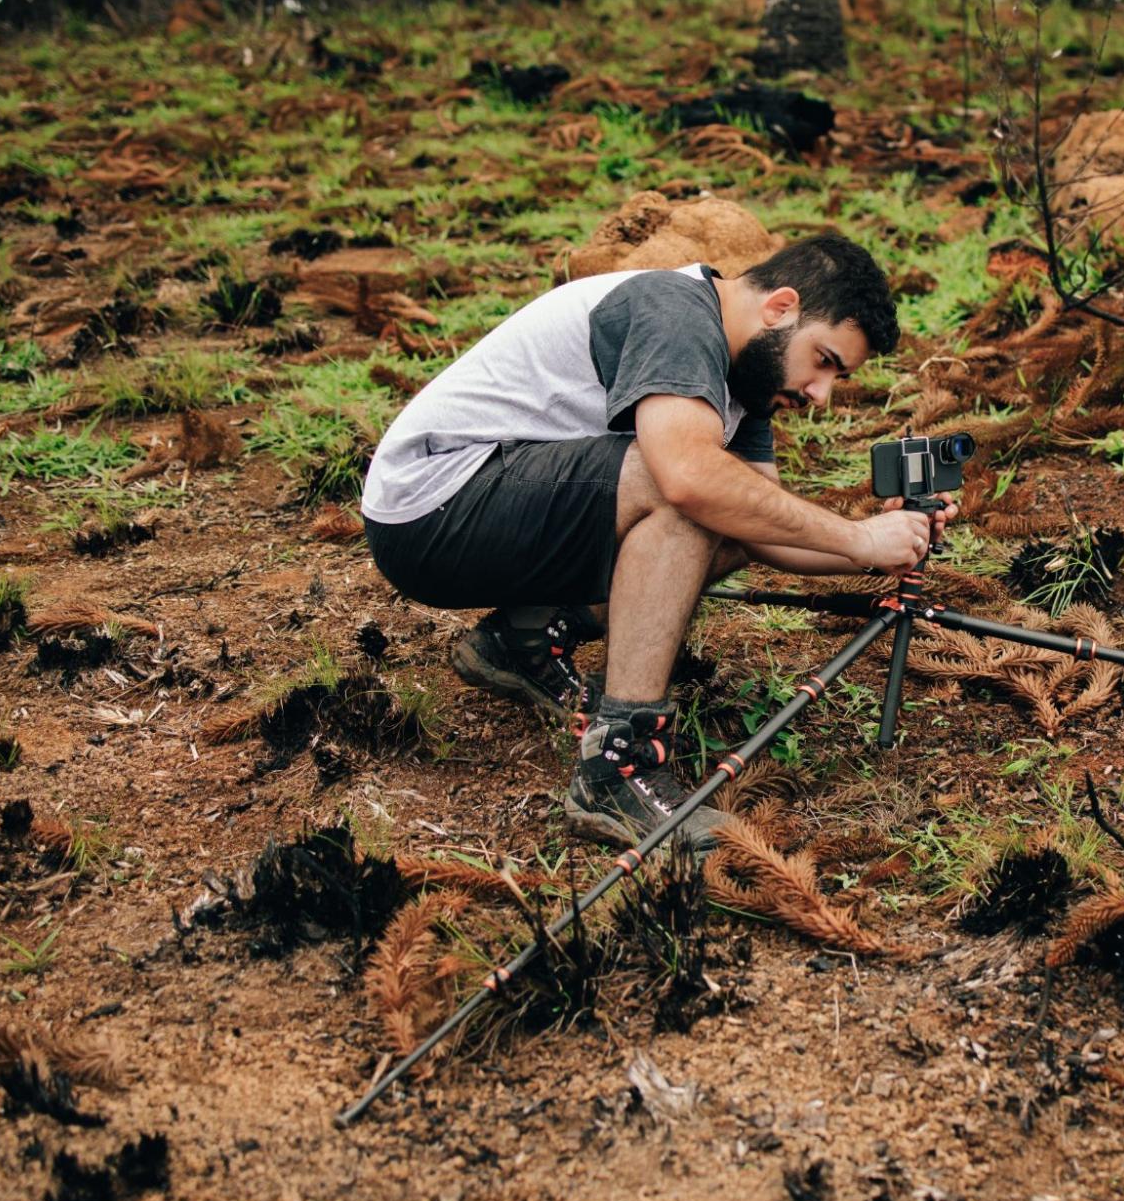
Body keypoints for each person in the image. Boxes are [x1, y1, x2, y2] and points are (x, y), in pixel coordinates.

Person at [360, 234, 953, 850]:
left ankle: (522, 639)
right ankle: (616, 769)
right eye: (824, 360)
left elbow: (764, 531)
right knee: (689, 494)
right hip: (432, 507)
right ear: (780, 307)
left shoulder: (744, 377)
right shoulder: (676, 313)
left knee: (731, 506)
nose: (820, 393)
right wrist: (856, 537)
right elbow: (689, 480)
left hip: (485, 512)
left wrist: (891, 543)